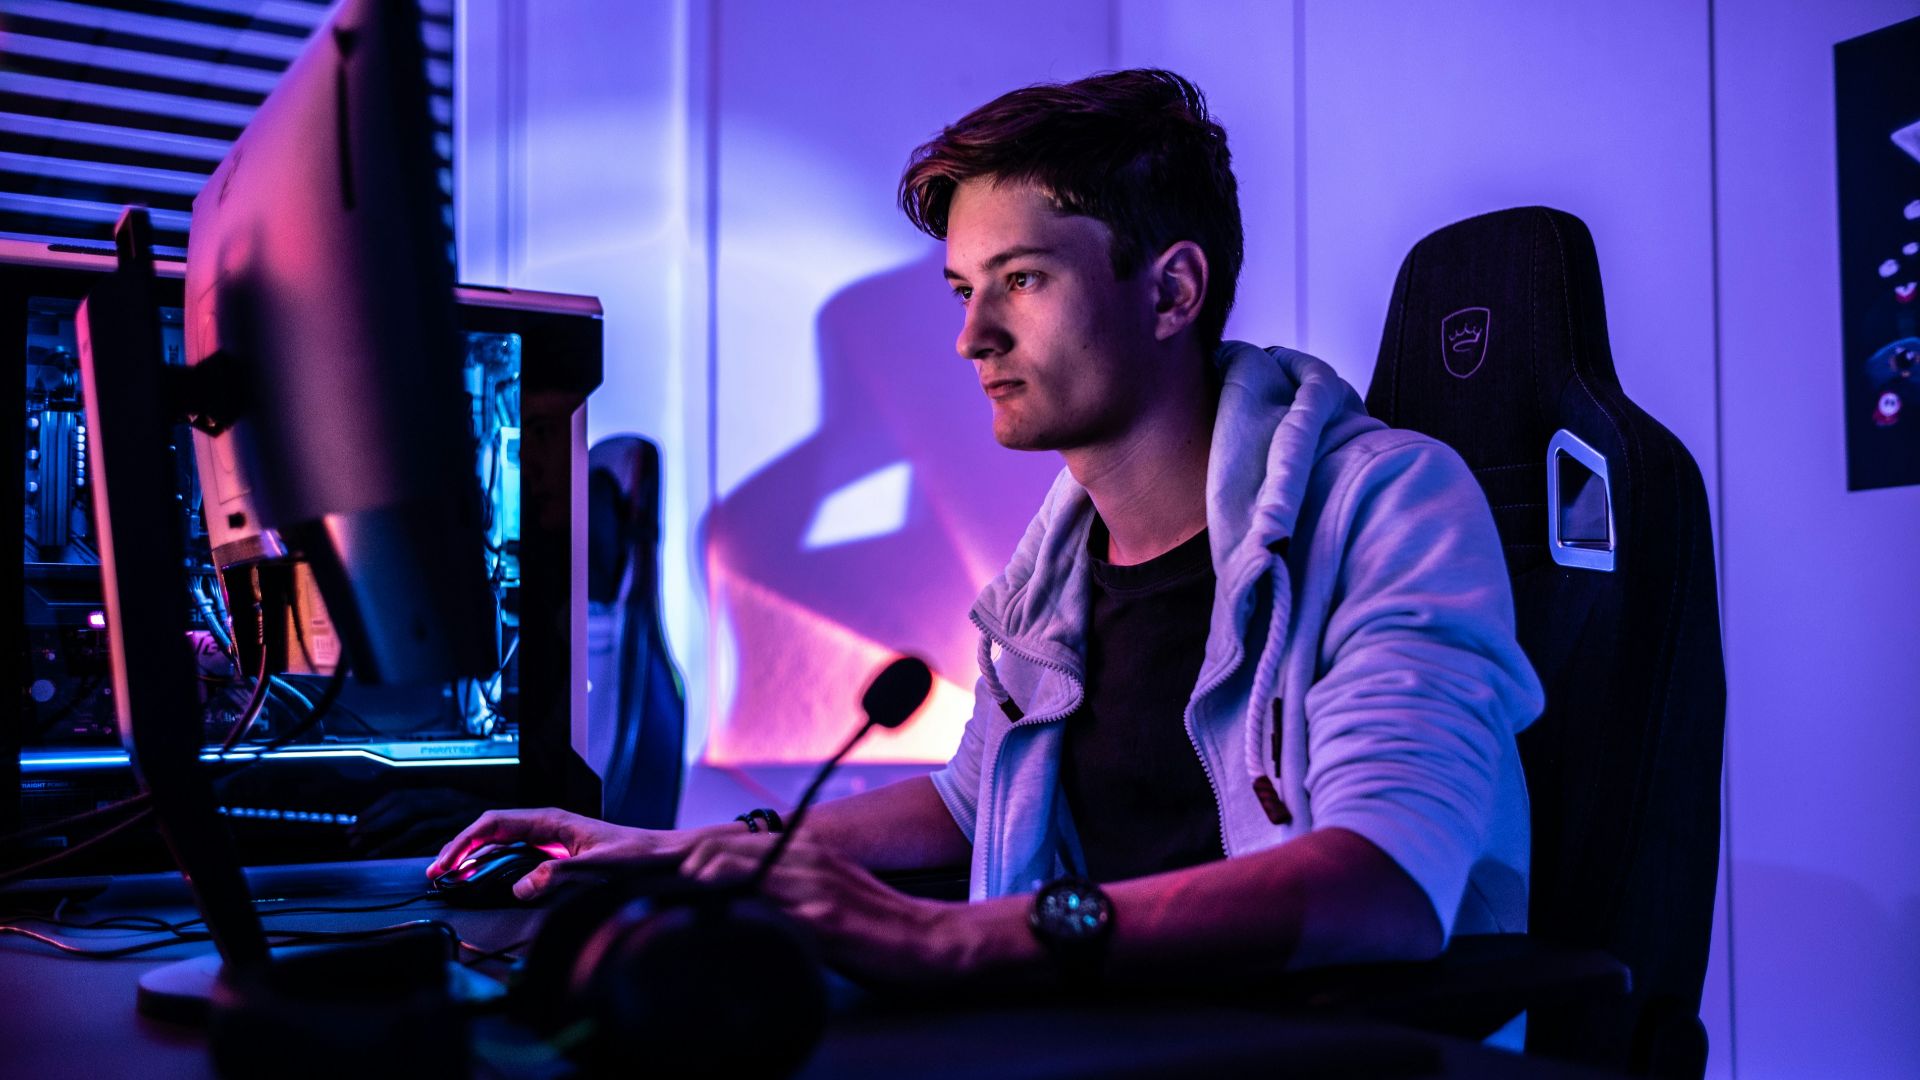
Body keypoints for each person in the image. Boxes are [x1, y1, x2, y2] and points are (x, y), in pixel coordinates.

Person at [429, 69, 1543, 991]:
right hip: (1110, 1031)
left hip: (1320, 1046)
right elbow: (974, 802)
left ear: (1170, 295)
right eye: (964, 288)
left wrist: (941, 937)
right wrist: (685, 857)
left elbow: (1380, 882)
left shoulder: (1385, 507)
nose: (971, 337)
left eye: (1020, 280)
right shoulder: (1052, 572)